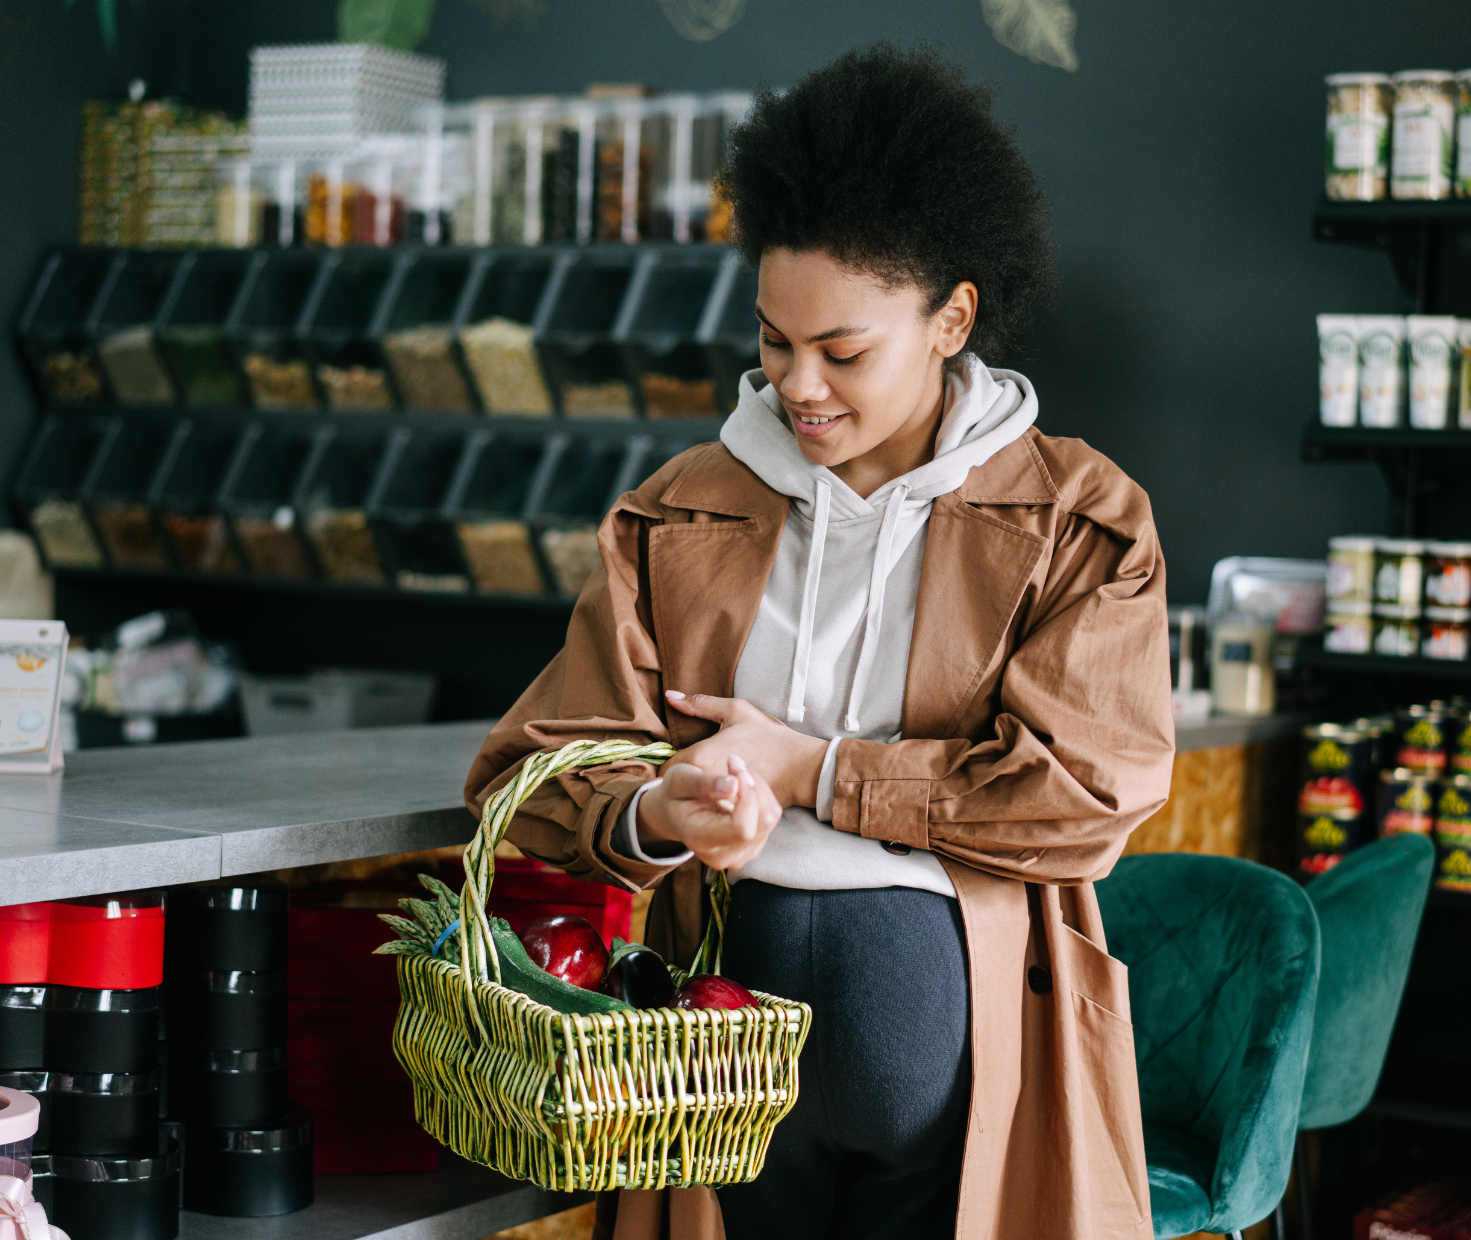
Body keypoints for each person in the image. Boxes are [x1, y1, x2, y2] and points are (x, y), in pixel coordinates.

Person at [466, 43, 1174, 1240]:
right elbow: (530, 773)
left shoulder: (1079, 520)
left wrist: (816, 771)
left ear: (952, 315)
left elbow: (1081, 797)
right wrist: (657, 810)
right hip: (715, 1062)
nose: (799, 384)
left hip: (952, 1058)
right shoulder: (680, 508)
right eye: (771, 338)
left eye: (843, 351)